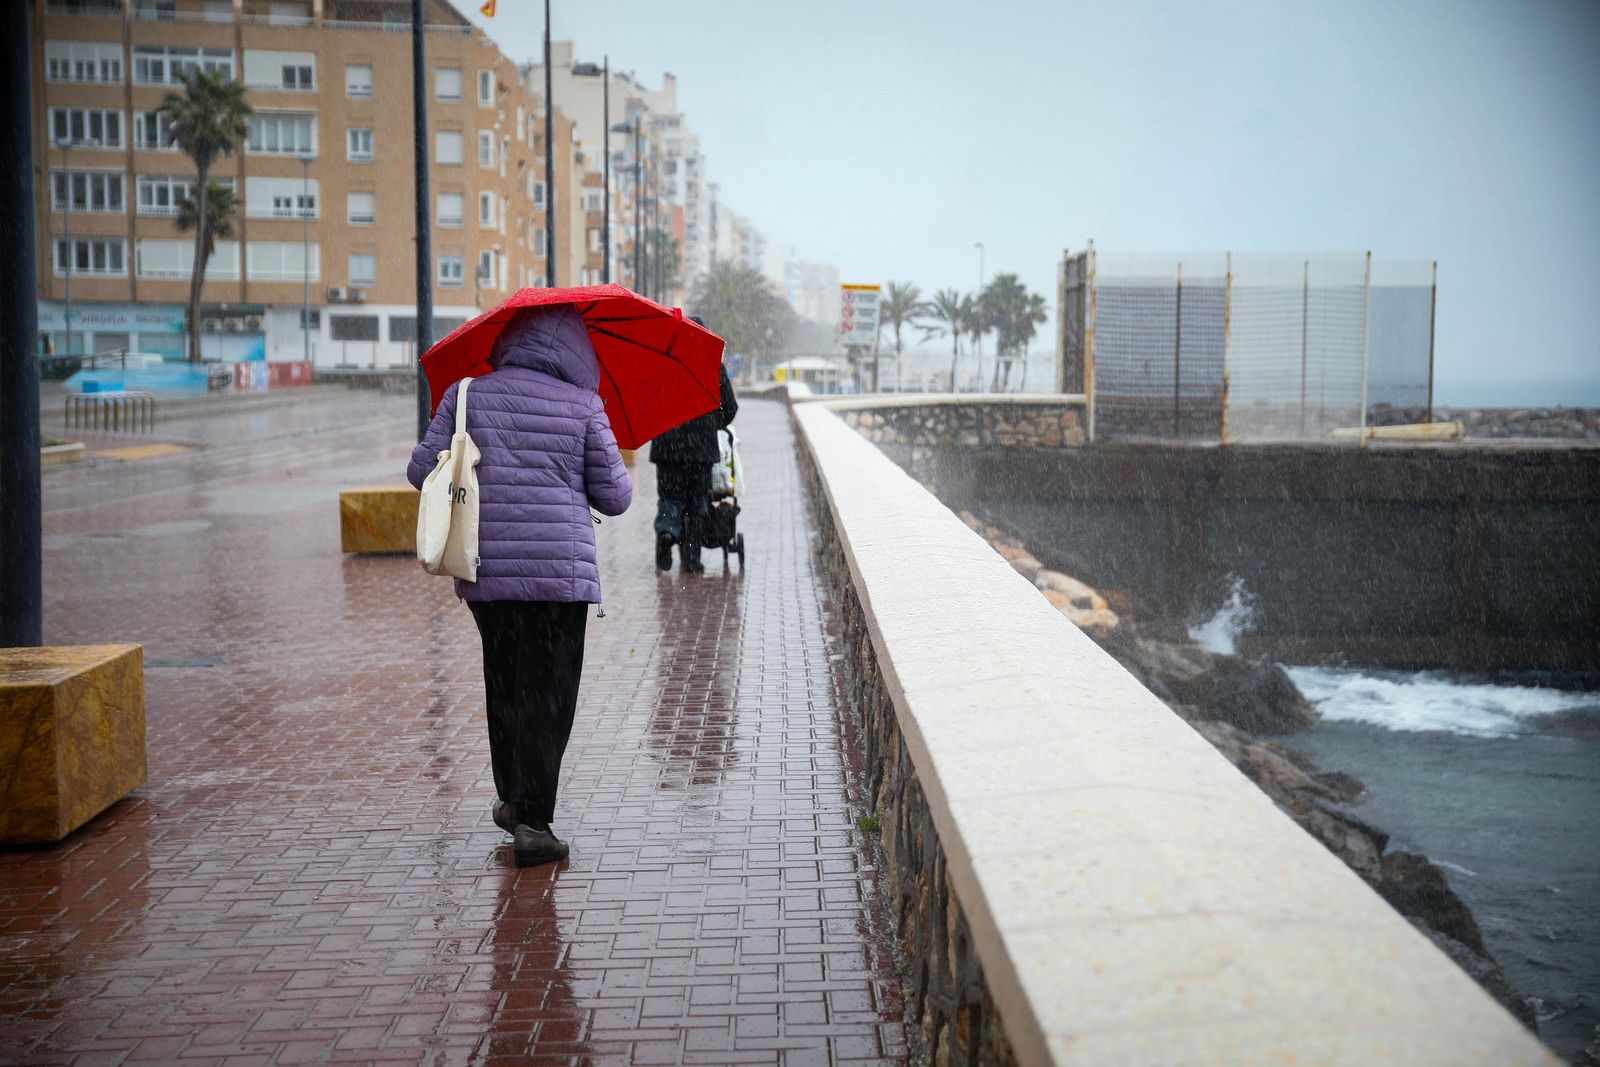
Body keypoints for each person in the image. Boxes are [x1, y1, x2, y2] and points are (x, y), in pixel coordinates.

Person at [407, 304, 631, 868]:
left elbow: (420, 471)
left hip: (488, 571)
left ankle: (513, 799)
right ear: (582, 354)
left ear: (509, 340)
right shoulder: (585, 406)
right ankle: (534, 821)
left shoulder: (466, 395)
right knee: (548, 696)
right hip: (560, 577)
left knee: (505, 684)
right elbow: (617, 497)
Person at [649, 320, 737, 573]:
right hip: (701, 450)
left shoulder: (665, 363)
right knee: (696, 505)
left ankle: (666, 533)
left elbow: (650, 404)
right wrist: (711, 423)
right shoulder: (712, 368)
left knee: (670, 498)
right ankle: (691, 560)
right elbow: (730, 408)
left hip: (667, 449)